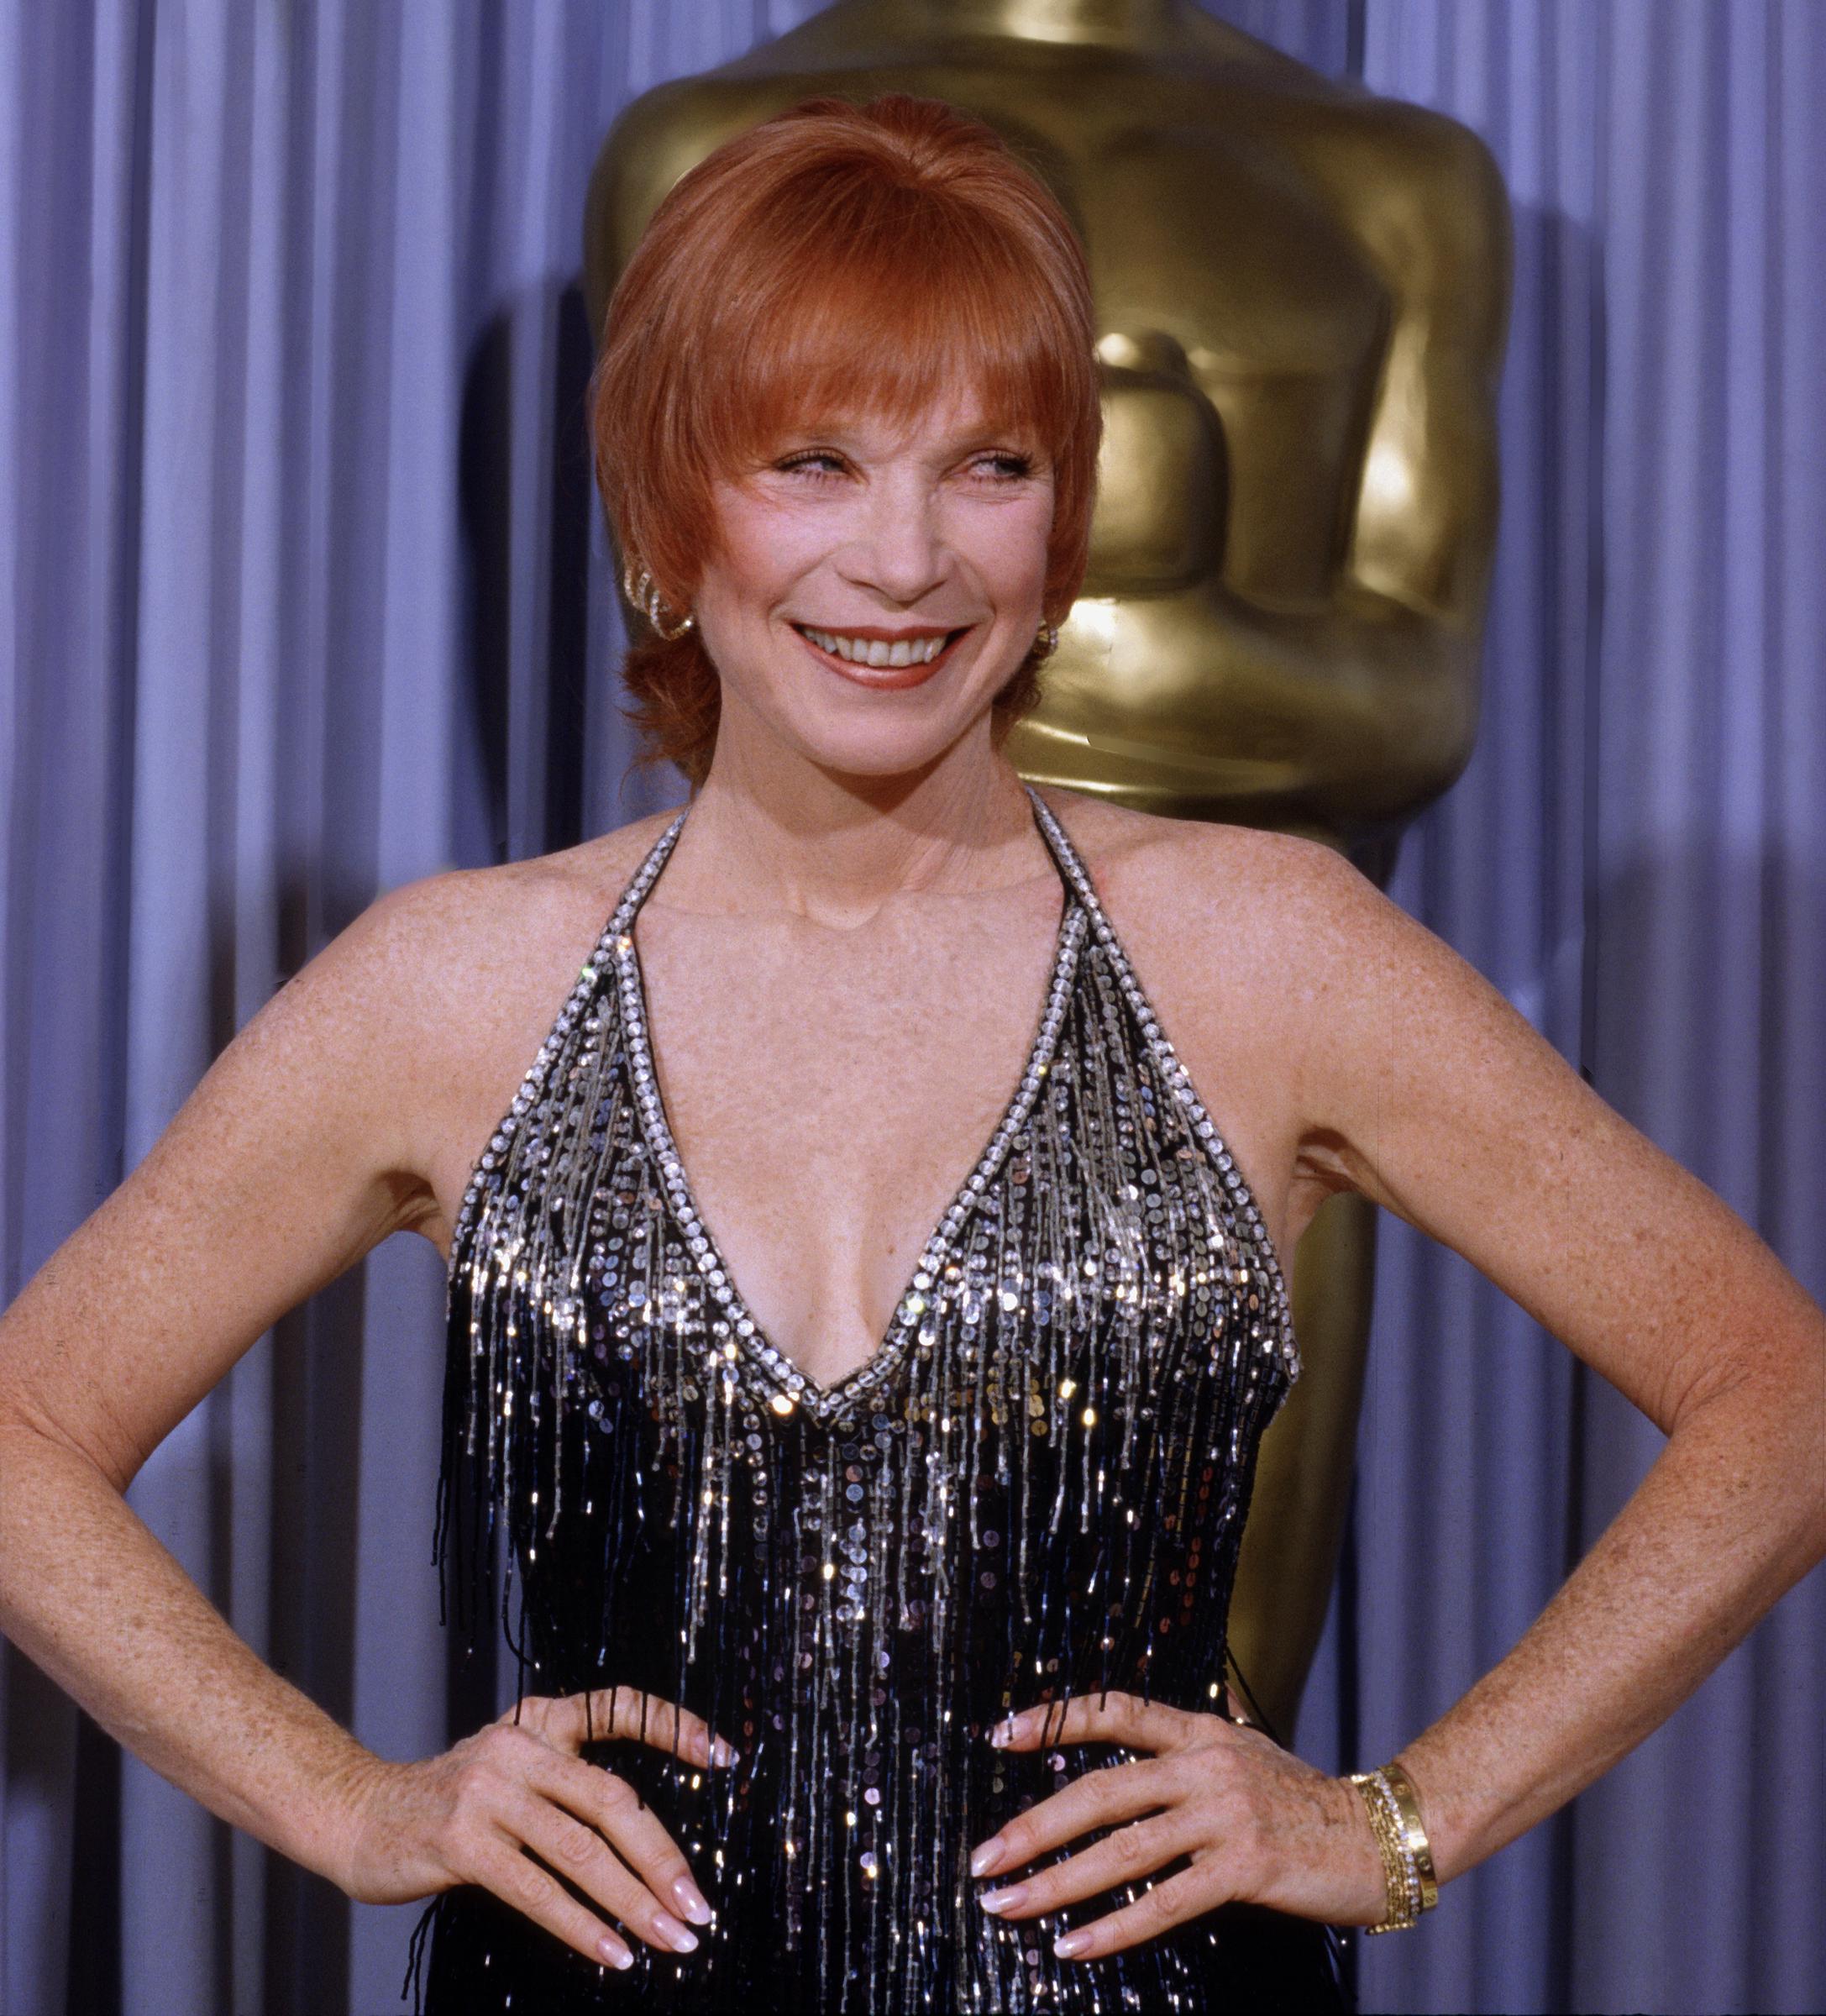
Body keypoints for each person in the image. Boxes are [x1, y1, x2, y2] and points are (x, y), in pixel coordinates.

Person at [0, 92, 1818, 2016]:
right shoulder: (453, 990)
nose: (906, 558)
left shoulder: (1264, 951)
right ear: (664, 511)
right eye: (814, 461)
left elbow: (1768, 1394)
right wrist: (352, 1809)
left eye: (990, 466)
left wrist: (1397, 1825)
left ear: (1065, 520)